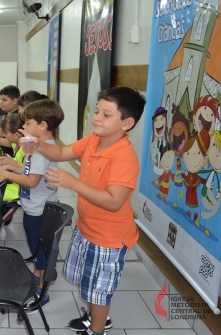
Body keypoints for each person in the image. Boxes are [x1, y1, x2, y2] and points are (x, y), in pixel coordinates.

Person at [21, 87, 146, 335]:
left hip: (109, 237)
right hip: (86, 227)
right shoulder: (93, 140)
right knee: (84, 280)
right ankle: (95, 317)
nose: (96, 117)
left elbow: (114, 201)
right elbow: (60, 152)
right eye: (97, 111)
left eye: (106, 114)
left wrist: (73, 183)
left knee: (98, 291)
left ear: (127, 123)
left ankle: (97, 329)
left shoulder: (124, 157)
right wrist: (37, 144)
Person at [0, 99, 64, 309]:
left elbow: (32, 181)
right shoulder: (40, 146)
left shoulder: (41, 150)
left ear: (43, 125)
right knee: (37, 248)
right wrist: (13, 167)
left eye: (28, 123)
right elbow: (29, 171)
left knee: (40, 251)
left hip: (38, 211)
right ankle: (37, 278)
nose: (23, 128)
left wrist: (7, 175)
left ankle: (42, 291)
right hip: (36, 207)